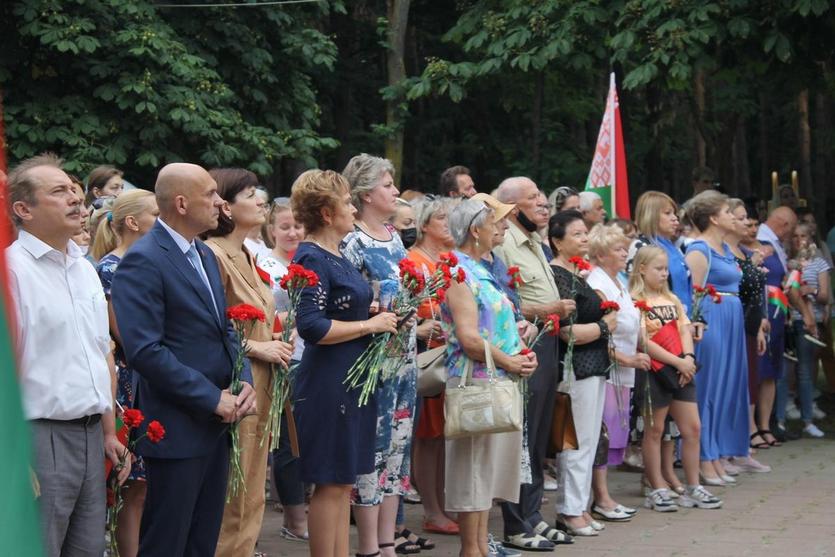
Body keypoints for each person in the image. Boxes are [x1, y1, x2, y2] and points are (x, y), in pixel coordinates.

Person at [111, 162, 257, 556]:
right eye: (210, 194)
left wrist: (243, 380)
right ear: (180, 203)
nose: (219, 202)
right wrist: (212, 398)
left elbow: (224, 329)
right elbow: (145, 350)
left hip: (214, 424)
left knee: (201, 541)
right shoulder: (144, 259)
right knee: (167, 541)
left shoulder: (204, 254)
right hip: (176, 424)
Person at [7, 154, 130, 555]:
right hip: (37, 437)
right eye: (59, 192)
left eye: (74, 189)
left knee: (87, 550)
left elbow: (100, 353)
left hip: (91, 434)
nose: (76, 199)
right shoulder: (11, 271)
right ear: (23, 209)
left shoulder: (82, 267)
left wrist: (110, 431)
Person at [290, 169, 399, 557]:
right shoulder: (311, 255)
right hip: (329, 380)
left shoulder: (335, 253)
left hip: (351, 378)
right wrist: (369, 322)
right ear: (325, 212)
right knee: (330, 481)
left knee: (342, 481)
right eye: (347, 202)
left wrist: (366, 312)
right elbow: (311, 325)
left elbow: (336, 310)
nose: (353, 207)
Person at [201, 168, 294, 556]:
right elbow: (209, 326)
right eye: (250, 194)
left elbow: (251, 321)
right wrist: (259, 349)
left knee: (253, 491)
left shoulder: (246, 251)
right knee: (232, 493)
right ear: (224, 203)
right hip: (237, 384)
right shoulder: (213, 254)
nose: (261, 201)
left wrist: (273, 338)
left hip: (263, 383)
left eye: (260, 193)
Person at [442, 198, 536, 557]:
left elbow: (496, 327)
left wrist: (523, 355)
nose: (505, 227)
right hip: (476, 381)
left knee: (486, 473)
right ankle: (471, 549)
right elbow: (468, 337)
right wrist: (509, 362)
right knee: (473, 472)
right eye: (496, 221)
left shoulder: (483, 269)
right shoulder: (458, 271)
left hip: (496, 378)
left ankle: (480, 546)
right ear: (474, 230)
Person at [494, 177, 576, 551]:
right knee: (523, 437)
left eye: (543, 196)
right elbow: (507, 303)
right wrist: (551, 309)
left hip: (547, 345)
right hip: (525, 344)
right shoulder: (504, 243)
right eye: (533, 198)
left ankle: (534, 515)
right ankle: (515, 522)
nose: (543, 203)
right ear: (512, 207)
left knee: (540, 435)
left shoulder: (536, 243)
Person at [341, 154, 417, 557]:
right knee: (371, 449)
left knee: (397, 452)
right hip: (371, 361)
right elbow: (346, 301)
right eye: (388, 185)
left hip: (403, 358)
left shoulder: (393, 234)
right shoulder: (352, 240)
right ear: (367, 193)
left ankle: (388, 543)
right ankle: (368, 546)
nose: (395, 191)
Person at [629, 246, 722, 511]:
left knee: (692, 428)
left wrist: (689, 360)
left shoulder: (672, 299)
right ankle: (656, 487)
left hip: (682, 369)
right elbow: (642, 340)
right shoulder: (635, 301)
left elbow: (684, 331)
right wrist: (678, 361)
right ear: (642, 268)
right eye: (658, 269)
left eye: (666, 269)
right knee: (655, 430)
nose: (663, 273)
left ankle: (694, 486)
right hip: (655, 371)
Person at [94, 189, 159, 557]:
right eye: (155, 213)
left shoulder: (146, 264)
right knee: (130, 485)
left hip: (149, 377)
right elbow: (126, 334)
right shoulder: (110, 269)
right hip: (128, 382)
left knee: (144, 484)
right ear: (133, 222)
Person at [548, 210, 617, 537]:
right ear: (557, 241)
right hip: (575, 367)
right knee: (574, 442)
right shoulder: (559, 275)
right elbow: (567, 332)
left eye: (585, 233)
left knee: (589, 440)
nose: (584, 238)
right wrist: (605, 326)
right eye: (576, 234)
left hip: (594, 366)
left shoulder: (579, 272)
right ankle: (569, 510)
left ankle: (580, 505)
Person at [684, 191, 750, 485]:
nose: (732, 217)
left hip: (732, 317)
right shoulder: (699, 250)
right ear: (713, 217)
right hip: (711, 318)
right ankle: (703, 457)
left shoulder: (724, 247)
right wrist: (696, 324)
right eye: (726, 211)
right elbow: (692, 294)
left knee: (727, 388)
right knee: (708, 389)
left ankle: (717, 453)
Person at [586, 223, 647, 521]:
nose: (625, 253)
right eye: (618, 249)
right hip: (610, 368)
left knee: (614, 429)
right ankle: (601, 497)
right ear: (600, 253)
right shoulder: (597, 283)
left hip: (624, 369)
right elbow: (600, 334)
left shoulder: (618, 279)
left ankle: (602, 494)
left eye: (625, 248)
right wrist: (627, 358)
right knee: (603, 432)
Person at [257, 199, 310, 541]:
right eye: (285, 227)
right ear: (271, 230)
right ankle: (294, 519)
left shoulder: (312, 259)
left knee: (308, 442)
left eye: (297, 226)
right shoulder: (264, 264)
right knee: (287, 444)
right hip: (280, 359)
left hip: (313, 358)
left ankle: (306, 510)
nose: (293, 233)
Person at [406, 196, 456, 537]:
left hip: (449, 352)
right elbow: (410, 307)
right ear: (425, 225)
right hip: (428, 356)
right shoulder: (413, 261)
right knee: (427, 437)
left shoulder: (446, 260)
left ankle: (441, 505)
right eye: (442, 219)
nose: (449, 225)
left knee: (440, 437)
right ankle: (432, 510)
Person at [725, 200, 770, 457]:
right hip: (733, 324)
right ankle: (739, 438)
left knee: (750, 381)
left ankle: (742, 439)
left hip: (751, 324)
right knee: (735, 384)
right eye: (741, 218)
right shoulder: (724, 253)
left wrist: (761, 323)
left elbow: (755, 295)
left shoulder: (744, 251)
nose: (747, 224)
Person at [779, 223, 830, 438]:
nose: (799, 240)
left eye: (804, 236)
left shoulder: (819, 263)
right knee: (783, 371)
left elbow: (825, 296)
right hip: (788, 320)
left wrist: (812, 289)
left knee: (806, 371)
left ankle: (808, 419)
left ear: (811, 238)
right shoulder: (786, 262)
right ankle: (779, 419)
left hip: (809, 321)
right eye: (795, 236)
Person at [756, 206, 797, 444]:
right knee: (761, 369)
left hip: (777, 312)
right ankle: (758, 426)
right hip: (766, 313)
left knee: (771, 370)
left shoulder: (774, 243)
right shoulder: (762, 242)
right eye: (790, 230)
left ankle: (766, 425)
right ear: (784, 225)